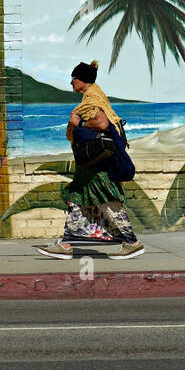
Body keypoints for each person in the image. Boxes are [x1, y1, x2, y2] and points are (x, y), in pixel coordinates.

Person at [37, 60, 144, 259]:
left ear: (82, 80)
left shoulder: (92, 98)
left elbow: (102, 123)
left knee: (108, 201)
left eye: (73, 79)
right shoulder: (95, 95)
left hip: (97, 165)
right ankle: (67, 244)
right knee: (78, 200)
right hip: (91, 165)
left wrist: (78, 122)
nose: (71, 83)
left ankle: (132, 242)